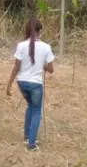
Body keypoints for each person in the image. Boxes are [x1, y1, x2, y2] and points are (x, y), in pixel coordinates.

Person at [6, 18, 54, 151]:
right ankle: (31, 143)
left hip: (22, 83)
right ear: (40, 31)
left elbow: (16, 66)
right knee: (37, 110)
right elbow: (51, 69)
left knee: (30, 106)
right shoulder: (46, 47)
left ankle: (27, 135)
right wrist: (42, 65)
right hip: (35, 84)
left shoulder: (21, 46)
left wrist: (9, 84)